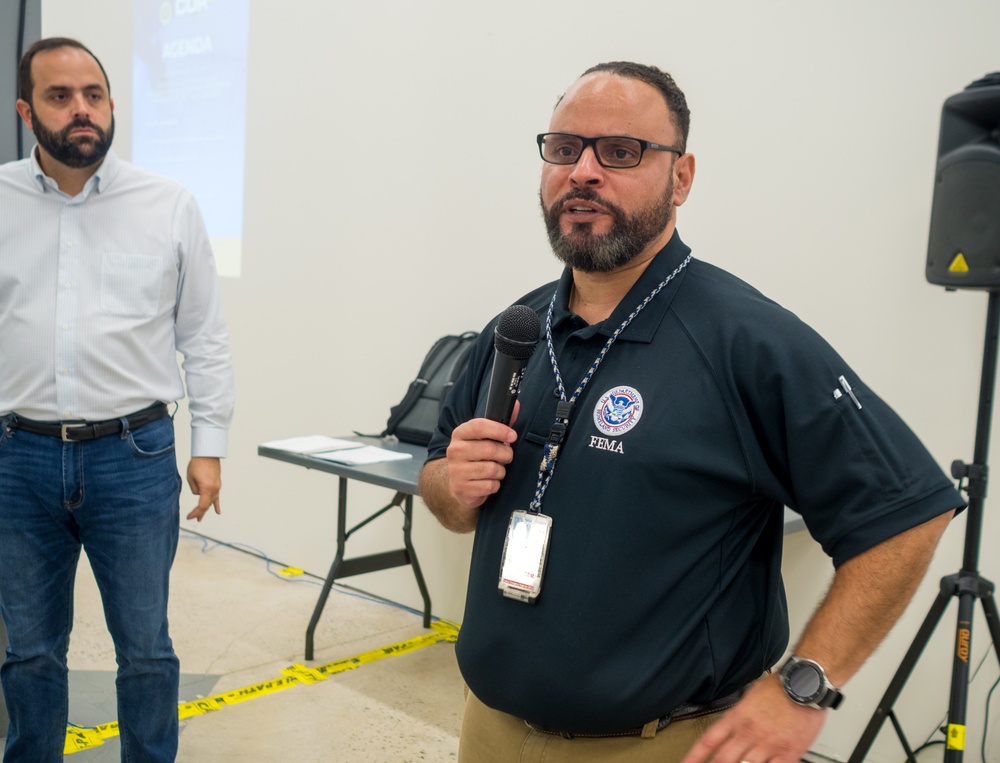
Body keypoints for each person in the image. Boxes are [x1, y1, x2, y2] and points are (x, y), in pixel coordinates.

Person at [419, 61, 965, 763]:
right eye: (564, 147)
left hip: (664, 743)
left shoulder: (745, 340)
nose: (583, 171)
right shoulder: (516, 331)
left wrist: (804, 686)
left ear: (681, 177)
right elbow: (442, 486)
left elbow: (907, 515)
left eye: (620, 151)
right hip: (490, 728)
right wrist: (452, 486)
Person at [0, 37, 234, 762]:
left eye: (94, 96)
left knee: (145, 649)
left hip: (133, 459)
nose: (81, 111)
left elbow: (204, 335)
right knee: (30, 651)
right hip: (17, 459)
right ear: (25, 109)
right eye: (60, 96)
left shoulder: (168, 204)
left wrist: (209, 447)